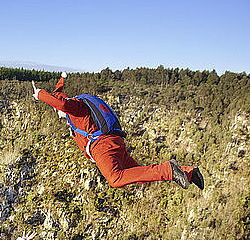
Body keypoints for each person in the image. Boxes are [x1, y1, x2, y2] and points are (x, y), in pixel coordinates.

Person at [31, 73, 204, 189]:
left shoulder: (75, 107)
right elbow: (59, 92)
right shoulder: (79, 105)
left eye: (56, 110)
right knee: (141, 172)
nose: (58, 113)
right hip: (115, 143)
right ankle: (188, 172)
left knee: (115, 179)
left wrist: (40, 95)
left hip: (102, 146)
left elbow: (61, 103)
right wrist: (62, 79)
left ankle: (170, 170)